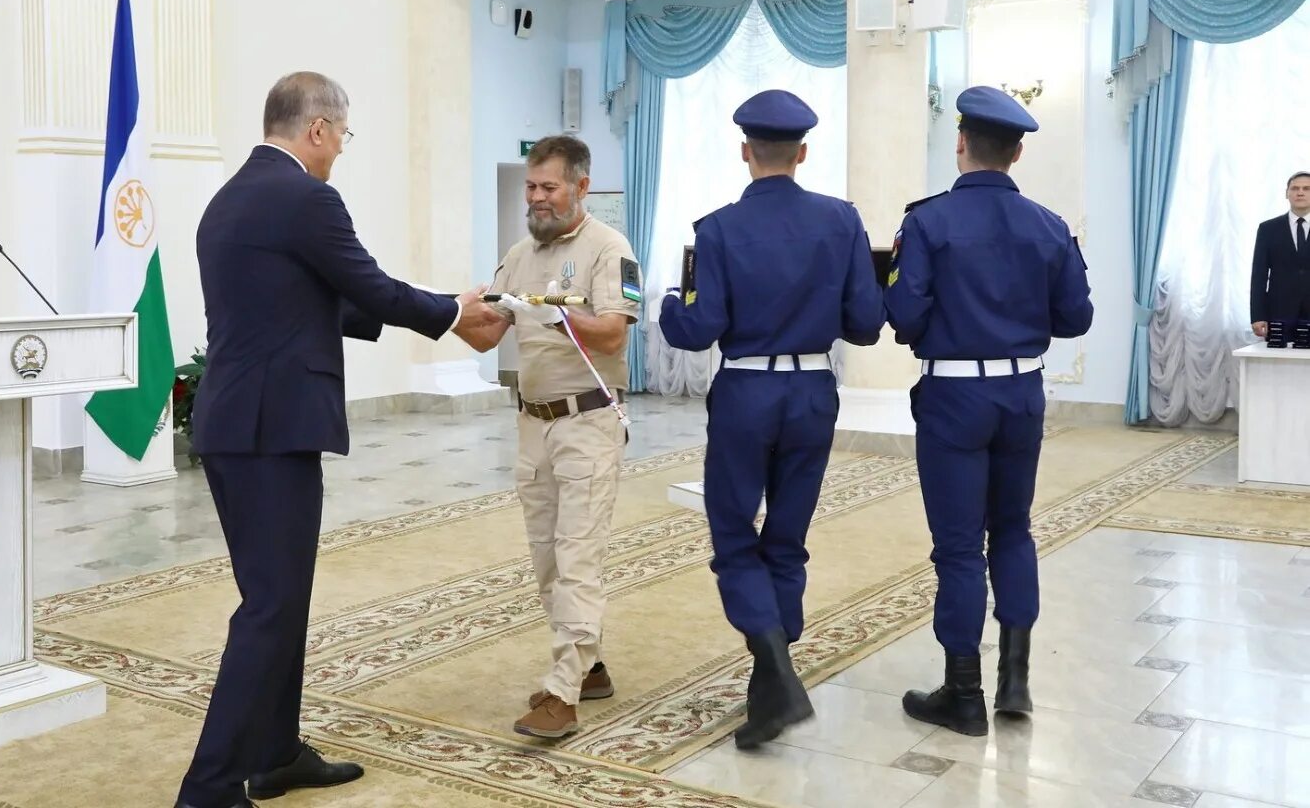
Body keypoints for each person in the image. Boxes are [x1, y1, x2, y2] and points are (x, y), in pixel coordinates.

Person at [176, 71, 501, 808]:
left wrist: (441, 312)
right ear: (317, 128)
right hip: (271, 429)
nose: (341, 153)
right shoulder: (306, 196)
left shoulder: (229, 199)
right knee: (269, 605)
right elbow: (369, 284)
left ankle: (276, 753)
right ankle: (209, 788)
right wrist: (453, 310)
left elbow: (308, 297)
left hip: (235, 423)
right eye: (343, 137)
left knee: (279, 597)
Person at [656, 89, 885, 749]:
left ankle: (778, 676)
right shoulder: (842, 222)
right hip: (814, 391)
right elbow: (866, 325)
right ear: (803, 153)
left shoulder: (717, 229)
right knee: (786, 540)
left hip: (746, 396)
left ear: (745, 151)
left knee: (734, 538)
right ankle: (769, 687)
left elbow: (698, 330)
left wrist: (670, 300)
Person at [884, 85, 1093, 737]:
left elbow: (903, 314)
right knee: (1014, 532)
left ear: (960, 142)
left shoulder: (926, 222)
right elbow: (1076, 317)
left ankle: (964, 694)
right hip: (1022, 393)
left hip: (953, 396)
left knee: (958, 548)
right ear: (1019, 151)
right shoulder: (1050, 225)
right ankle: (1016, 683)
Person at [458, 135, 640, 740]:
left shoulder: (609, 250)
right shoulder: (517, 254)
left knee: (578, 556)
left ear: (580, 187)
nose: (536, 199)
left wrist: (556, 317)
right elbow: (486, 334)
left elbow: (614, 335)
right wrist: (435, 313)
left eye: (548, 188)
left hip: (587, 422)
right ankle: (588, 667)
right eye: (531, 188)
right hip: (532, 424)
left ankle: (563, 693)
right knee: (547, 561)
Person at [1249, 171, 1310, 339]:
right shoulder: (1268, 229)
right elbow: (1259, 275)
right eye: (1295, 188)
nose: (1300, 192)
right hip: (1279, 314)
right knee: (1277, 363)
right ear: (1287, 193)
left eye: (1306, 188)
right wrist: (1257, 315)